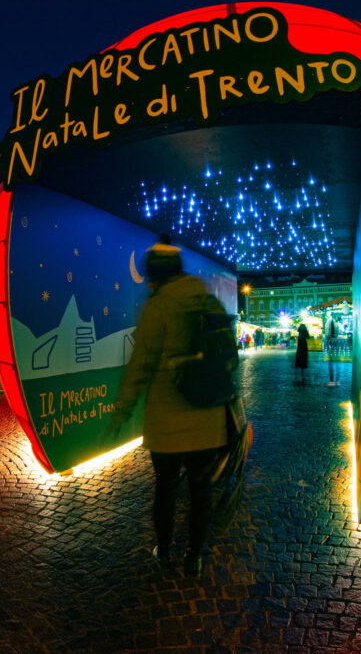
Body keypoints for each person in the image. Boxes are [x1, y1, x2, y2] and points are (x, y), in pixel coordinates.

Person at [110, 241, 228, 579]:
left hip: (167, 419)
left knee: (165, 490)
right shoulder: (206, 298)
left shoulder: (158, 305)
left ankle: (165, 551)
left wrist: (122, 411)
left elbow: (140, 365)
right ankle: (195, 556)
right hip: (207, 416)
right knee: (200, 490)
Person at [325, 316, 339, 387]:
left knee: (331, 362)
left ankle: (332, 381)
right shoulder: (335, 322)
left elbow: (329, 333)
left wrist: (328, 338)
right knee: (336, 362)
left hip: (331, 342)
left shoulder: (330, 321)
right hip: (335, 341)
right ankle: (337, 380)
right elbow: (336, 333)